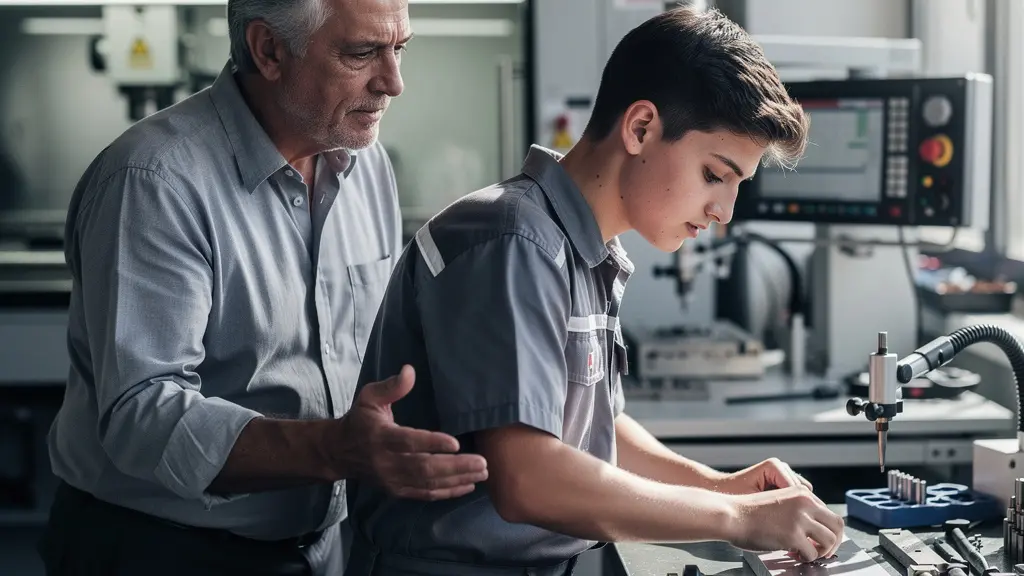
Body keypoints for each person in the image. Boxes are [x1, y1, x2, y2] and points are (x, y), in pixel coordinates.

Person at [345, 6, 845, 576]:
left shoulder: (586, 251)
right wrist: (735, 519)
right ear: (640, 128)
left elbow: (592, 430)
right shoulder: (511, 240)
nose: (723, 210)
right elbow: (529, 479)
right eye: (715, 174)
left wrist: (723, 488)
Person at [37, 0, 487, 574]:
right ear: (268, 50)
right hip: (158, 549)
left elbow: (374, 350)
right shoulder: (155, 182)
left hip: (318, 548)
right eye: (362, 52)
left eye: (399, 49)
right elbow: (143, 417)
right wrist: (332, 449)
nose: (394, 82)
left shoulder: (366, 166)